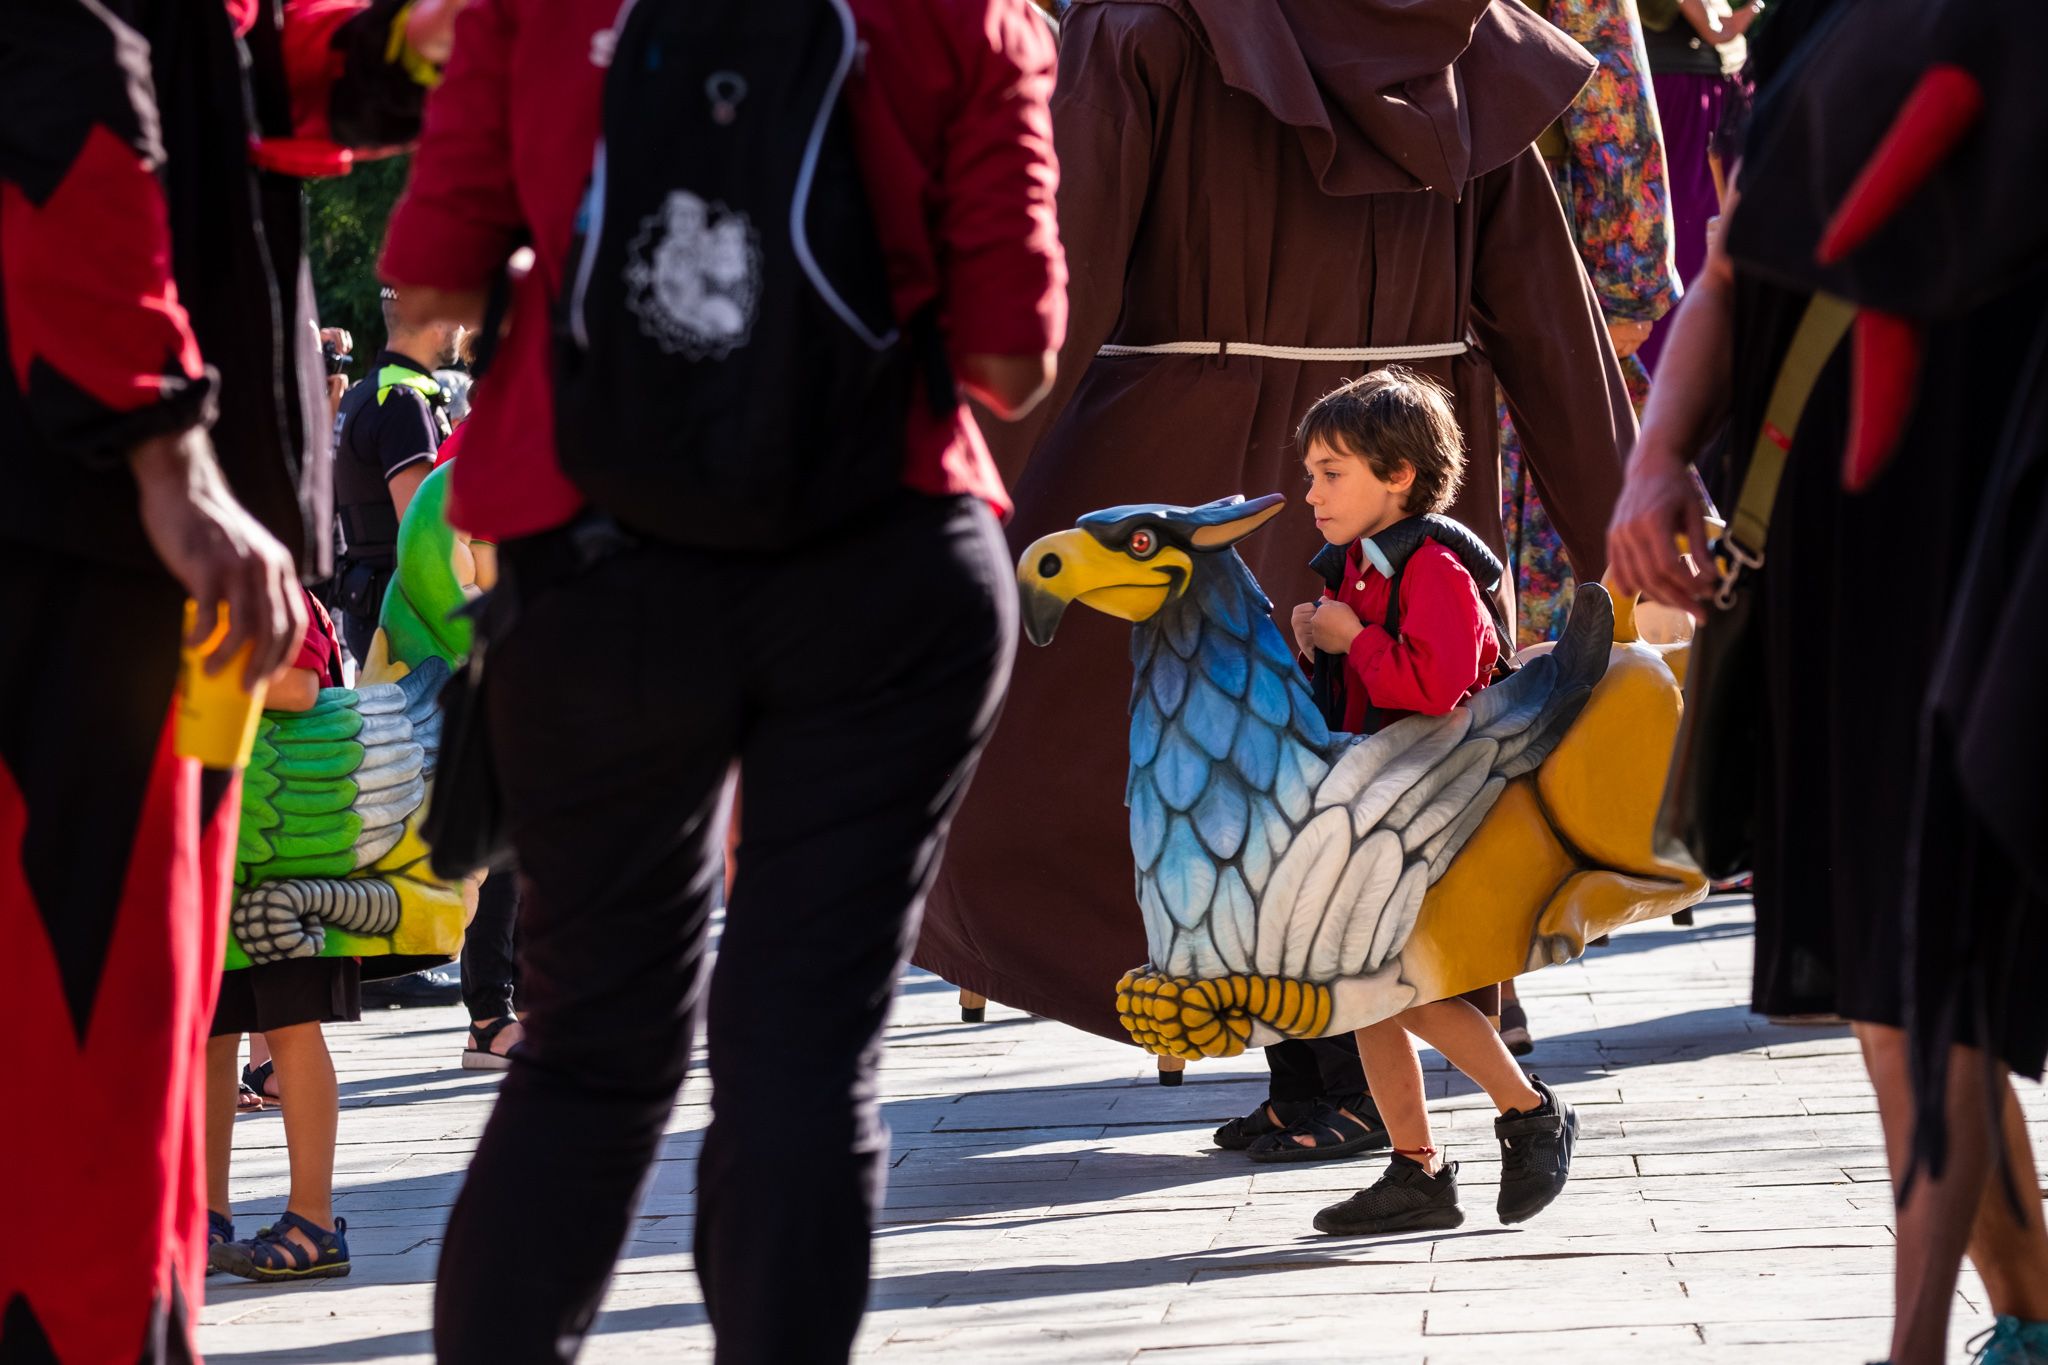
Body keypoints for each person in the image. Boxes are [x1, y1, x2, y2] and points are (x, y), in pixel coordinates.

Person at [377, 0, 1066, 1357]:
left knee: (585, 1048)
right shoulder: (972, 19)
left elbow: (431, 298)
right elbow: (1011, 355)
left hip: (592, 567)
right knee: (805, 1052)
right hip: (885, 561)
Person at [916, 0, 1637, 1094]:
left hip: (1183, 476)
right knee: (1384, 769)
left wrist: (947, 495)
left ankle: (1318, 1073)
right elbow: (1549, 327)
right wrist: (1621, 526)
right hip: (1401, 477)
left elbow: (1054, 284)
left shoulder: (1148, 29)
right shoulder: (1461, 40)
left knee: (1132, 771)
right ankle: (1354, 1058)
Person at [0, 2, 449, 1358]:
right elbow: (63, 78)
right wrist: (165, 451)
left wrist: (388, 50)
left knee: (129, 1033)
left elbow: (213, 65)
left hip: (106, 533)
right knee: (88, 1051)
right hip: (74, 530)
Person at [1607, 1, 2048, 1359]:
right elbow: (1735, 277)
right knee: (1893, 983)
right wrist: (1656, 456)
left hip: (2002, 529)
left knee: (1932, 967)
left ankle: (1923, 1340)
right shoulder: (1815, 21)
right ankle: (2027, 1323)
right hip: (1839, 551)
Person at [1280, 370, 1576, 1236]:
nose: (1312, 492)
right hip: (1383, 810)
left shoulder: (1435, 567)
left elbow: (1442, 688)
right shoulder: (1358, 572)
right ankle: (1416, 1167)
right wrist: (1324, 644)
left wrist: (1354, 639)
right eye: (1310, 473)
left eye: (1332, 472)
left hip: (1441, 813)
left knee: (1395, 986)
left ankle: (1529, 1112)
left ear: (1398, 474)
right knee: (1363, 990)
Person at [1495, 0, 1682, 1054]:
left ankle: (1463, 959)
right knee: (1500, 639)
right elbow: (1612, 122)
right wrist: (1609, 302)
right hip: (1516, 316)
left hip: (1365, 318)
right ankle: (1490, 955)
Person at [206, 594, 358, 1282]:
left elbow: (299, 688)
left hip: (289, 859)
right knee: (209, 1036)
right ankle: (204, 1213)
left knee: (293, 1026)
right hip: (221, 854)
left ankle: (315, 1219)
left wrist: (181, 671)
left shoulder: (270, 584)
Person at [327, 289, 462, 667]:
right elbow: (424, 531)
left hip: (366, 605)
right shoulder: (402, 401)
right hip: (403, 618)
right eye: (455, 314)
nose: (461, 325)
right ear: (433, 322)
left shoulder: (362, 393)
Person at [1636, 0, 1759, 373]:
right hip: (1684, 97)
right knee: (1689, 238)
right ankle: (1674, 371)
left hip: (1695, 93)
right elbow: (1717, 29)